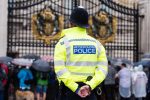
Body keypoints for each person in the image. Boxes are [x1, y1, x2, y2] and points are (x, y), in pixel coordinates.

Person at [54, 6, 108, 100]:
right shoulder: (97, 44)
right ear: (86, 24)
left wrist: (76, 88)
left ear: (71, 23)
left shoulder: (63, 43)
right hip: (90, 93)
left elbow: (60, 70)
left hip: (69, 93)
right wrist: (90, 86)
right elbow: (102, 71)